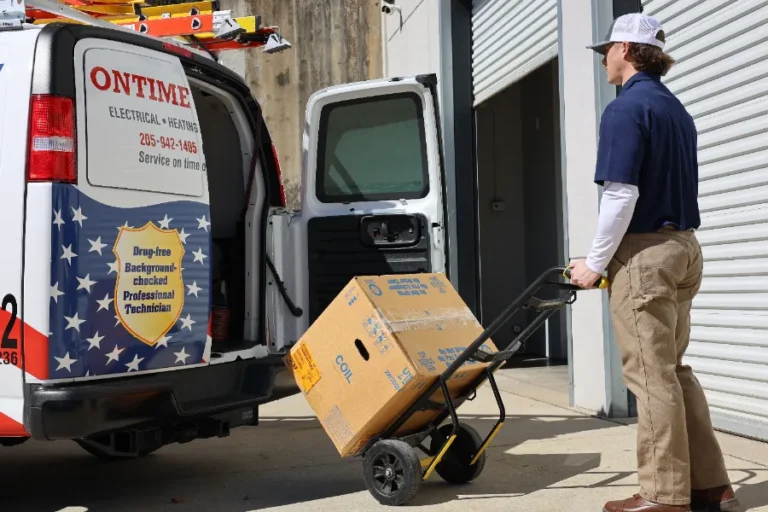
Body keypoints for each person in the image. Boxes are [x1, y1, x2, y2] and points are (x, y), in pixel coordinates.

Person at [568, 12, 739, 512]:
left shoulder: (625, 110)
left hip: (645, 254)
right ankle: (711, 487)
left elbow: (621, 195)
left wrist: (594, 264)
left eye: (607, 49)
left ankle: (664, 496)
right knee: (673, 370)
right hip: (684, 248)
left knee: (650, 374)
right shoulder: (674, 109)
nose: (603, 58)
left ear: (625, 50)